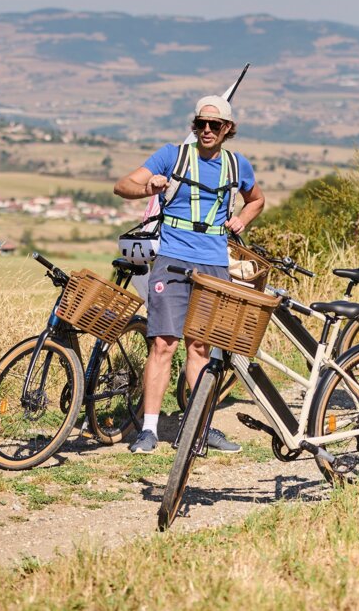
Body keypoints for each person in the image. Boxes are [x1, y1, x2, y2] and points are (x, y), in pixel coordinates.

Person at [114, 95, 265, 454]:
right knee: (163, 344)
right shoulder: (172, 155)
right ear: (194, 126)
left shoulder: (237, 164)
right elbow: (123, 186)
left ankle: (201, 427)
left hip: (214, 263)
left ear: (228, 129)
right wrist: (147, 188)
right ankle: (149, 430)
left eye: (215, 125)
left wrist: (242, 218)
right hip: (172, 259)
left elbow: (256, 199)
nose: (207, 130)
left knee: (201, 347)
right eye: (200, 124)